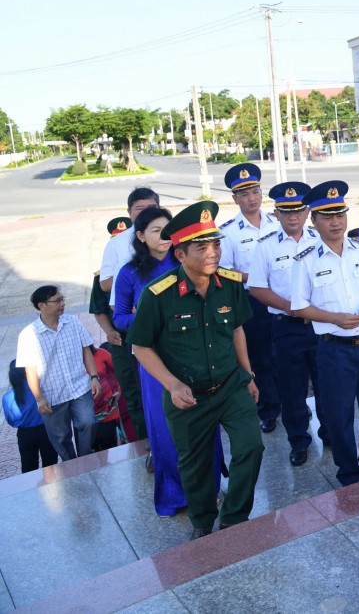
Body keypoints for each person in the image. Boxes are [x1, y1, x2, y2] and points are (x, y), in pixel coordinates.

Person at [126, 200, 264, 540]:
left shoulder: (229, 283)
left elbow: (236, 330)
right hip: (187, 395)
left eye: (215, 244)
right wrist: (172, 385)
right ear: (180, 255)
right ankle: (203, 520)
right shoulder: (158, 295)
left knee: (251, 447)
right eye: (202, 248)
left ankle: (235, 516)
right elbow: (140, 346)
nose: (213, 253)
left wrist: (248, 374)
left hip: (231, 385)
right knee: (195, 464)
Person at [114, 206, 226, 516]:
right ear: (140, 236)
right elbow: (119, 317)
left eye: (168, 231)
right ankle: (178, 494)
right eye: (155, 231)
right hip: (155, 364)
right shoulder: (130, 273)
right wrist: (149, 322)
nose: (163, 238)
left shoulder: (190, 261)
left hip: (196, 355)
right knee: (166, 433)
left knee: (206, 427)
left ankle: (211, 489)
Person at [289, 181, 359, 486]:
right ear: (314, 221)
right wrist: (333, 318)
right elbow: (299, 307)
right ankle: (348, 471)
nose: (336, 222)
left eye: (340, 215)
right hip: (334, 349)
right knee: (338, 414)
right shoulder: (306, 259)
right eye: (328, 217)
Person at [247, 181, 329, 467]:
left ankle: (329, 433)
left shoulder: (321, 240)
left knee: (326, 383)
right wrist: (291, 308)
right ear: (277, 213)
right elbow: (257, 287)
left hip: (321, 325)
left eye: (297, 211)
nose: (292, 217)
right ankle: (299, 441)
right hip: (286, 326)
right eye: (285, 211)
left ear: (307, 212)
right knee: (292, 389)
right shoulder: (266, 246)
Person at [218, 163, 282, 433]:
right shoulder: (228, 231)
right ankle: (267, 409)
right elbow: (223, 271)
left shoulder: (277, 222)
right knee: (260, 358)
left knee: (285, 354)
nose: (251, 198)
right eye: (244, 194)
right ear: (235, 199)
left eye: (255, 191)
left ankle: (289, 404)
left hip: (281, 298)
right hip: (251, 301)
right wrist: (253, 278)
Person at [98, 188, 160, 441]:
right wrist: (132, 288)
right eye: (139, 210)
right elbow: (104, 284)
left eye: (151, 208)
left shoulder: (170, 237)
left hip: (170, 323)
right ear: (129, 212)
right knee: (140, 389)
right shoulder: (117, 244)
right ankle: (148, 441)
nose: (146, 214)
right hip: (134, 325)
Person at [15, 285, 101, 460]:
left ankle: (85, 460)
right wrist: (39, 398)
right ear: (42, 306)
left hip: (79, 387)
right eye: (57, 301)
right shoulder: (28, 335)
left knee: (88, 422)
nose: (62, 304)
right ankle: (70, 464)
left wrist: (94, 377)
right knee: (60, 438)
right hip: (53, 395)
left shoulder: (73, 322)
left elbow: (86, 351)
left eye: (63, 299)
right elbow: (30, 370)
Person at [89, 216, 137, 441]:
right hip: (121, 338)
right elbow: (99, 309)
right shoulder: (104, 277)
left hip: (145, 333)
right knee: (130, 388)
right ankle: (139, 438)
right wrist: (109, 331)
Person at [3, 361, 59, 473]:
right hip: (46, 430)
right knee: (51, 465)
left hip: (25, 434)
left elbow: (11, 421)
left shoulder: (8, 396)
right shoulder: (42, 391)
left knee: (28, 467)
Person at [90, 345, 122, 452]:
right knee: (89, 454)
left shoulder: (101, 353)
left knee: (110, 449)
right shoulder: (71, 361)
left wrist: (118, 390)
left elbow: (119, 370)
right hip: (85, 415)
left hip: (107, 411)